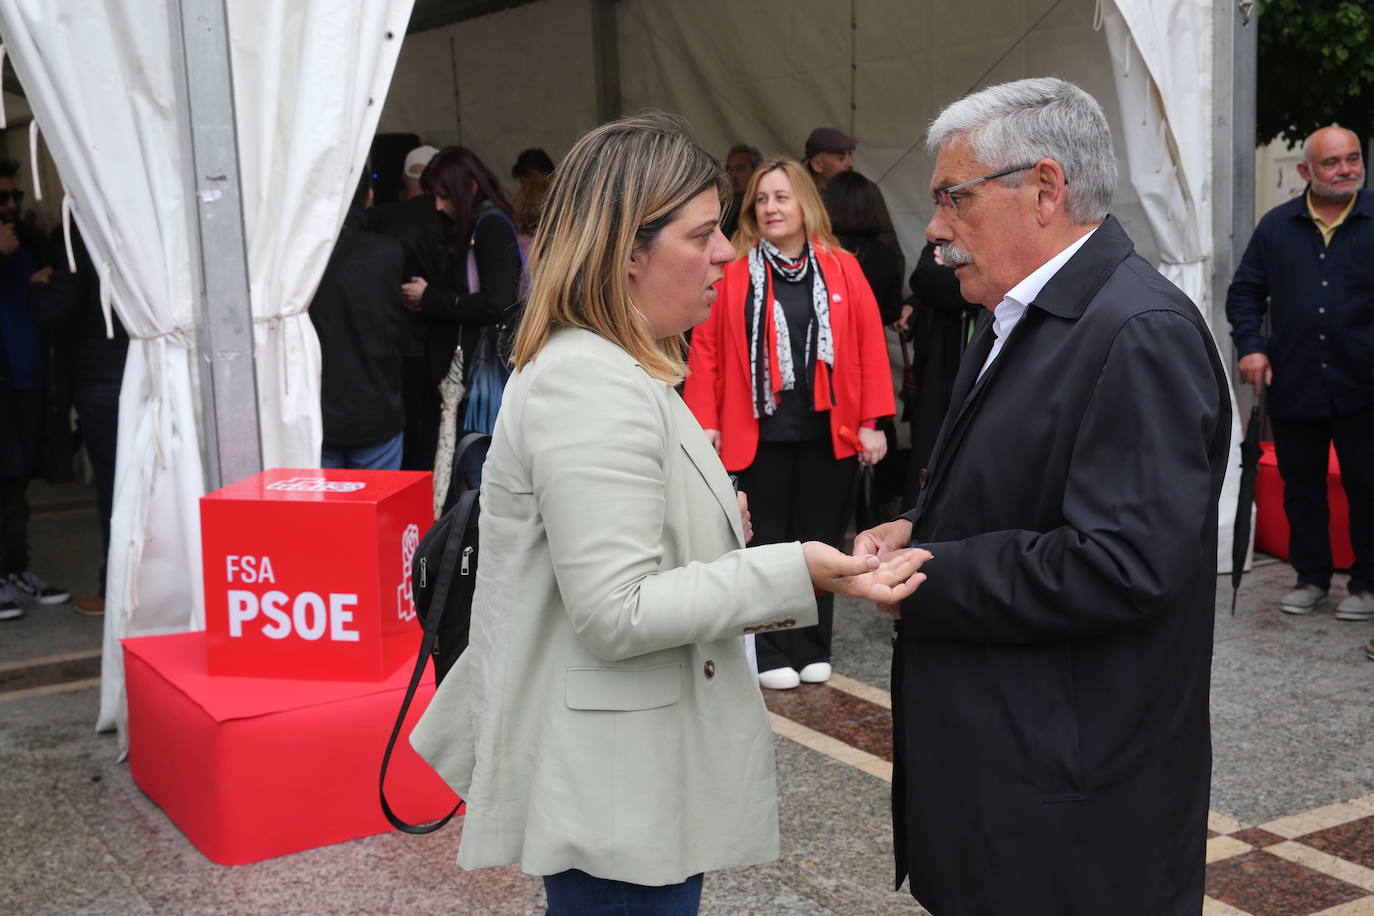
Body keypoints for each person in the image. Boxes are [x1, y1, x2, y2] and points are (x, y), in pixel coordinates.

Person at [409, 112, 929, 914]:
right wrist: (799, 569)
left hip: (623, 773)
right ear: (627, 254)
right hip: (620, 788)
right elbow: (617, 610)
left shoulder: (615, 363)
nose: (727, 251)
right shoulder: (592, 382)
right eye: (702, 235)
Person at [854, 78, 1230, 914]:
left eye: (954, 199)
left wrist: (930, 570)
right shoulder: (1021, 312)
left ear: (1046, 189)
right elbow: (1030, 494)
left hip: (1075, 823)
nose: (938, 229)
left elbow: (1124, 565)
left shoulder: (1138, 332)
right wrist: (922, 523)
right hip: (1010, 788)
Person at [684, 157, 895, 690]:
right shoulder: (734, 272)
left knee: (823, 542)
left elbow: (870, 343)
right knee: (769, 548)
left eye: (782, 197)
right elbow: (704, 348)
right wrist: (704, 420)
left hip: (830, 434)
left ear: (805, 204)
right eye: (762, 199)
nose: (771, 208)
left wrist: (872, 420)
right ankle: (773, 648)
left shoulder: (843, 266)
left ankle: (812, 645)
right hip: (758, 437)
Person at [1226, 125, 1374, 630]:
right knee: (1302, 488)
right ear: (1306, 172)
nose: (1347, 169)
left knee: (1368, 486)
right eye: (1333, 162)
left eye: (1353, 158)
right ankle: (1311, 579)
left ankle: (1367, 583)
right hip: (1296, 383)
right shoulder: (1276, 227)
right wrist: (1250, 346)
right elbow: (1245, 292)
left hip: (1365, 385)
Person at [402, 146, 522, 483]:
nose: (439, 206)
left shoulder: (491, 227)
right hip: (466, 376)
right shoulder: (475, 226)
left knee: (475, 467)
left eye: (444, 196)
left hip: (479, 377)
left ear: (468, 189)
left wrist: (431, 298)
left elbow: (496, 303)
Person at [28, 223, 128, 615]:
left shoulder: (84, 229)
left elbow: (56, 309)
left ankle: (113, 591)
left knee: (116, 488)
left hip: (103, 376)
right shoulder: (150, 216)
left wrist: (37, 285)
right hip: (154, 367)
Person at [0, 162, 68, 620]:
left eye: (14, 196)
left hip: (27, 383)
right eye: (1, 198)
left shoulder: (24, 242)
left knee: (16, 483)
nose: (10, 206)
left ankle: (16, 572)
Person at [309, 171, 407, 470]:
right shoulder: (389, 252)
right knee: (379, 516)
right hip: (377, 409)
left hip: (319, 413)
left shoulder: (304, 259)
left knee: (321, 516)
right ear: (370, 196)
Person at [367, 143, 449, 471]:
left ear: (404, 179)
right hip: (442, 339)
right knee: (435, 427)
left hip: (391, 343)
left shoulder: (381, 219)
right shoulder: (449, 220)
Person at [896, 240, 980, 507]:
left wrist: (957, 274)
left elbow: (997, 286)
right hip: (941, 370)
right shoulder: (943, 236)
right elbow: (925, 280)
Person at [802, 126, 899, 253]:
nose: (850, 163)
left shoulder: (866, 189)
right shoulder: (799, 194)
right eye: (841, 157)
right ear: (817, 164)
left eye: (850, 154)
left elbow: (888, 239)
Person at [721, 143, 762, 240]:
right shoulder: (721, 206)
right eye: (729, 169)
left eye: (740, 169)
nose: (733, 174)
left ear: (755, 172)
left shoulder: (762, 209)